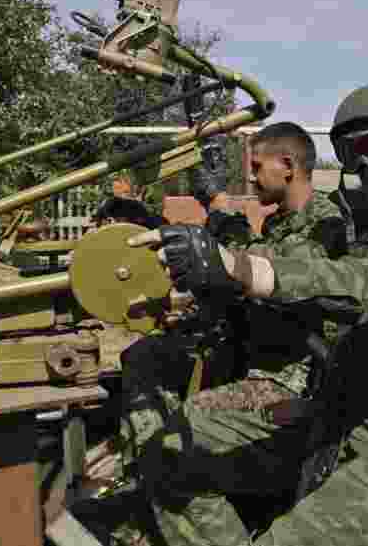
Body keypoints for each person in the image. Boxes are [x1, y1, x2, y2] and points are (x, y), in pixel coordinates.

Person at [126, 82, 368, 546]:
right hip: (342, 416)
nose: (365, 167)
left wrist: (236, 267)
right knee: (170, 458)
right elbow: (306, 267)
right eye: (350, 153)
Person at [112, 121, 347, 502]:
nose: (250, 178)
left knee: (188, 422)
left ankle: (168, 483)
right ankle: (145, 476)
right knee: (145, 357)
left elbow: (268, 270)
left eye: (256, 167)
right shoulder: (278, 220)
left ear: (288, 166)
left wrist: (220, 210)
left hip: (290, 378)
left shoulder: (326, 223)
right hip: (245, 351)